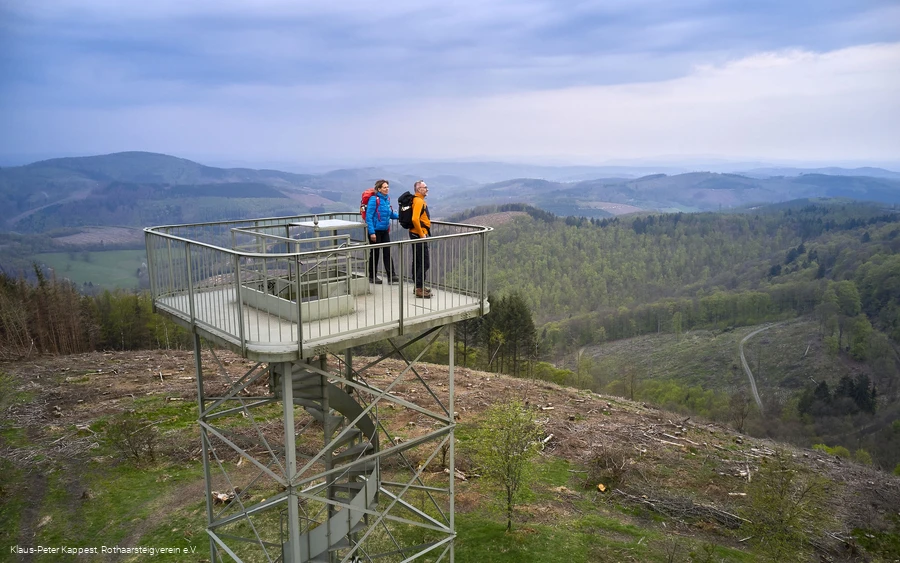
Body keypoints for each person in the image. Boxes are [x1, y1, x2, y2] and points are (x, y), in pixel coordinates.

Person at [366, 179, 399, 284]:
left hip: (384, 230)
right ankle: (372, 276)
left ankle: (391, 276)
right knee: (375, 253)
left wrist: (402, 217)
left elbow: (390, 214)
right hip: (375, 231)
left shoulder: (386, 200)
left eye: (387, 187)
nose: (387, 189)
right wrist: (372, 232)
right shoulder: (373, 199)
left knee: (387, 253)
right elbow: (369, 216)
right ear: (379, 189)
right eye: (384, 187)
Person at [409, 180, 431, 298]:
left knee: (418, 261)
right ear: (419, 189)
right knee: (424, 263)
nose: (427, 189)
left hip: (415, 234)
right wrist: (422, 234)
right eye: (425, 187)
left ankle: (419, 286)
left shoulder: (417, 200)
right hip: (418, 235)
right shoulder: (418, 201)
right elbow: (414, 219)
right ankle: (418, 288)